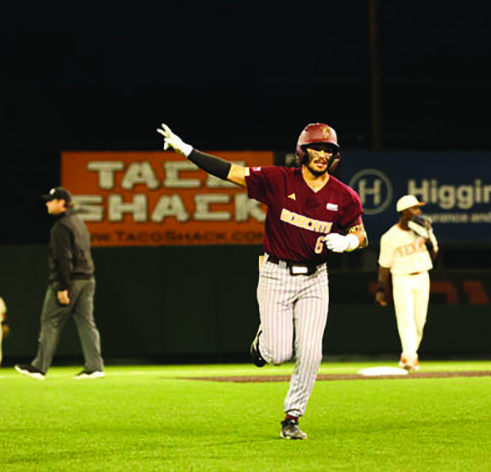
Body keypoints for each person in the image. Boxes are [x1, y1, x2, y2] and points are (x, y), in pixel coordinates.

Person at [157, 123, 368, 440]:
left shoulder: (344, 195)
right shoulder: (278, 180)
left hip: (315, 279)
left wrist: (350, 243)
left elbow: (361, 234)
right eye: (317, 148)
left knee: (311, 352)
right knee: (277, 353)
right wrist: (187, 151)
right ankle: (262, 343)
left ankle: (292, 417)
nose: (322, 155)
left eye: (328, 150)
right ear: (302, 150)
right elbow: (231, 172)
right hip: (276, 273)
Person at [15, 187, 106, 381]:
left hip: (70, 281)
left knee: (50, 322)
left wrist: (63, 286)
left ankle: (38, 368)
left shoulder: (61, 226)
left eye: (51, 200)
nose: (47, 203)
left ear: (61, 202)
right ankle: (95, 366)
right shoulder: (79, 223)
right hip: (87, 279)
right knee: (86, 322)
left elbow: (64, 259)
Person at [375, 195, 439, 372]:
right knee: (406, 319)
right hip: (402, 278)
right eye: (414, 208)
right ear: (404, 212)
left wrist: (426, 237)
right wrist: (381, 289)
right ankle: (411, 357)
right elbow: (384, 265)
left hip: (422, 276)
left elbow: (434, 254)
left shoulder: (422, 228)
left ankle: (408, 355)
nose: (418, 212)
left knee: (420, 321)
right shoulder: (390, 236)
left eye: (418, 208)